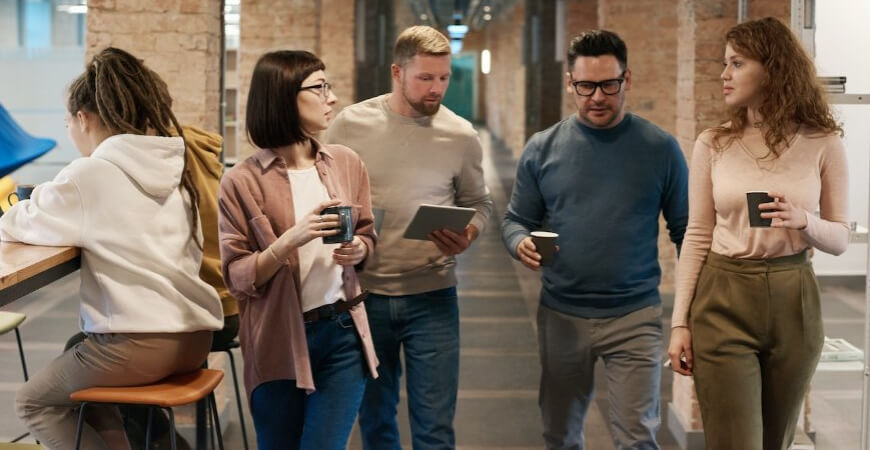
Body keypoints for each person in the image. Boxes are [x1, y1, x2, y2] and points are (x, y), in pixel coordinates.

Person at [0, 47, 224, 450]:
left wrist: (23, 206)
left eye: (69, 121)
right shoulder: (174, 168)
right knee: (78, 351)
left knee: (33, 402)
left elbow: (20, 222)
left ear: (83, 118)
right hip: (195, 339)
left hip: (138, 346)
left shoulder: (93, 173)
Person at [667, 17, 848, 450]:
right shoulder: (714, 143)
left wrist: (803, 220)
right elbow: (696, 234)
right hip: (724, 294)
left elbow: (840, 238)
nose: (724, 75)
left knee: (775, 442)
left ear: (772, 68)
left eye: (737, 63)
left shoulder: (822, 140)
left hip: (794, 298)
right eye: (725, 64)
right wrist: (679, 323)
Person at [501, 30, 688, 450]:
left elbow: (686, 233)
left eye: (609, 84)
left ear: (627, 80)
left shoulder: (660, 149)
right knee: (560, 434)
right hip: (561, 315)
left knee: (638, 437)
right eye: (586, 86)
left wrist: (689, 315)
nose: (597, 97)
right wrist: (520, 243)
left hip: (635, 315)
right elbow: (515, 220)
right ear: (570, 83)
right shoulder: (542, 149)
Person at [325, 25, 494, 450]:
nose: (436, 88)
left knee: (434, 429)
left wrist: (469, 231)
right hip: (365, 295)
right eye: (425, 78)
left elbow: (480, 203)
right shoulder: (351, 124)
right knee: (376, 423)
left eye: (443, 78)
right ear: (397, 72)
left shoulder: (459, 134)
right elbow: (325, 192)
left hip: (433, 295)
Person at [218, 50, 379, 450]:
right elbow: (237, 276)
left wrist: (360, 248)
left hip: (343, 333)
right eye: (319, 87)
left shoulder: (345, 162)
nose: (332, 98)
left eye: (329, 86)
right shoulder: (241, 182)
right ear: (283, 97)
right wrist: (292, 237)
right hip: (277, 340)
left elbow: (367, 234)